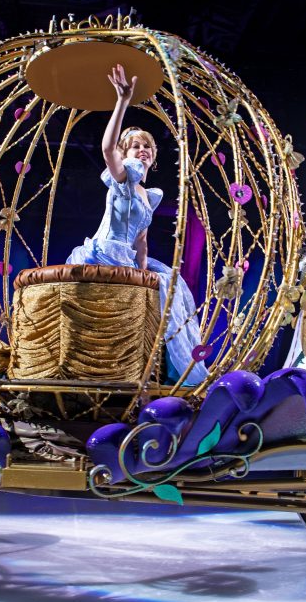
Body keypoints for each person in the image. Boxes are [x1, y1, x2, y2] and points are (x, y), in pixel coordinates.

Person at [65, 64, 209, 386]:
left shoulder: (149, 195)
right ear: (126, 153)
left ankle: (165, 365)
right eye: (135, 146)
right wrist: (122, 101)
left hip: (127, 259)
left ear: (153, 156)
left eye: (147, 147)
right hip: (104, 253)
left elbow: (141, 242)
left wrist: (143, 275)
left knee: (170, 283)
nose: (142, 150)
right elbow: (107, 149)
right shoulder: (123, 179)